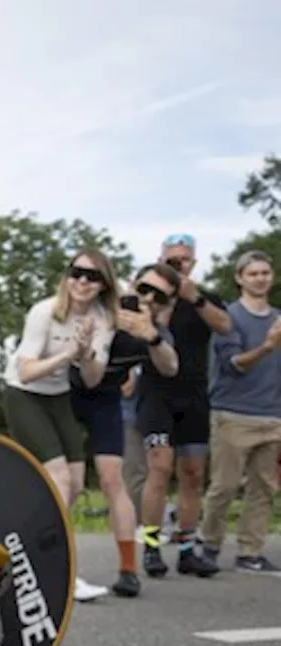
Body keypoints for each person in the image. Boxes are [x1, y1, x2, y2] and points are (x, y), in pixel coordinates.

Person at [2, 250, 116, 603]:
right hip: (23, 394)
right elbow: (26, 371)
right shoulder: (45, 311)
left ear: (103, 285)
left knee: (77, 484)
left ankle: (24, 546)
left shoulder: (103, 319)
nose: (82, 281)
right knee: (59, 479)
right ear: (67, 277)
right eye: (76, 273)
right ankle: (56, 569)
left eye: (92, 276)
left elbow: (94, 379)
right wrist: (68, 355)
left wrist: (86, 354)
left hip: (58, 396)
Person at [68, 262, 181, 597]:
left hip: (104, 400)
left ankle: (128, 570)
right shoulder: (100, 304)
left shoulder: (154, 331)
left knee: (112, 478)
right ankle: (49, 563)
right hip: (62, 393)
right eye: (143, 288)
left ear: (168, 304)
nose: (147, 299)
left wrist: (152, 336)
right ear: (132, 284)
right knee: (66, 480)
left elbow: (170, 366)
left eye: (158, 297)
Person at [135, 234, 231, 578]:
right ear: (161, 260)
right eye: (172, 260)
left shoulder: (202, 298)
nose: (179, 266)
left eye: (184, 260)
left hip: (193, 394)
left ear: (193, 263)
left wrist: (197, 298)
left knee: (193, 474)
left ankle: (188, 547)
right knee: (159, 468)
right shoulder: (147, 297)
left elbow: (225, 326)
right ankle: (150, 545)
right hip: (156, 392)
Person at [199, 250, 281, 573]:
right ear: (239, 278)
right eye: (253, 273)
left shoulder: (277, 318)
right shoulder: (227, 317)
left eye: (265, 272)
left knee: (264, 487)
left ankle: (250, 550)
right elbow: (234, 365)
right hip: (233, 413)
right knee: (225, 485)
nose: (260, 278)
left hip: (273, 414)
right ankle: (210, 545)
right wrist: (267, 346)